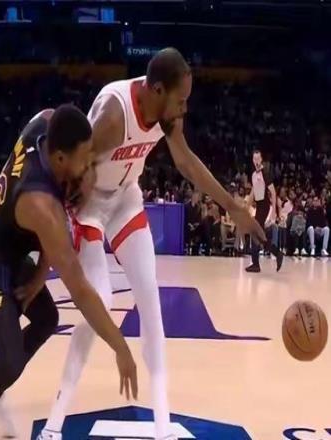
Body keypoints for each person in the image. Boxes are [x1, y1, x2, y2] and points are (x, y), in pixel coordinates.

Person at [39, 48, 265, 440]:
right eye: (181, 100)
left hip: (125, 198)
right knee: (99, 303)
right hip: (89, 206)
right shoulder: (113, 115)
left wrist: (234, 208)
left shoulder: (166, 115)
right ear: (156, 90)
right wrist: (46, 238)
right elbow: (69, 169)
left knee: (151, 303)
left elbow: (186, 162)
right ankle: (54, 424)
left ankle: (162, 426)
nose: (184, 109)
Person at [0, 105, 138, 439]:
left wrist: (41, 276)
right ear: (59, 158)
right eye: (84, 159)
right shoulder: (41, 204)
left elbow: (52, 113)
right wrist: (121, 347)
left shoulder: (41, 127)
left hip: (12, 249)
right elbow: (80, 288)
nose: (89, 165)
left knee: (47, 319)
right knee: (10, 362)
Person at [245, 150, 284, 272]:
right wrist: (246, 208)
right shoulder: (253, 175)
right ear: (252, 160)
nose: (256, 161)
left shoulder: (265, 173)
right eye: (254, 159)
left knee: (255, 232)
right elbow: (253, 193)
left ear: (261, 159)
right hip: (259, 206)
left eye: (258, 159)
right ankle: (276, 253)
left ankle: (256, 264)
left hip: (264, 206)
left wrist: (274, 212)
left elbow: (273, 192)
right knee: (259, 235)